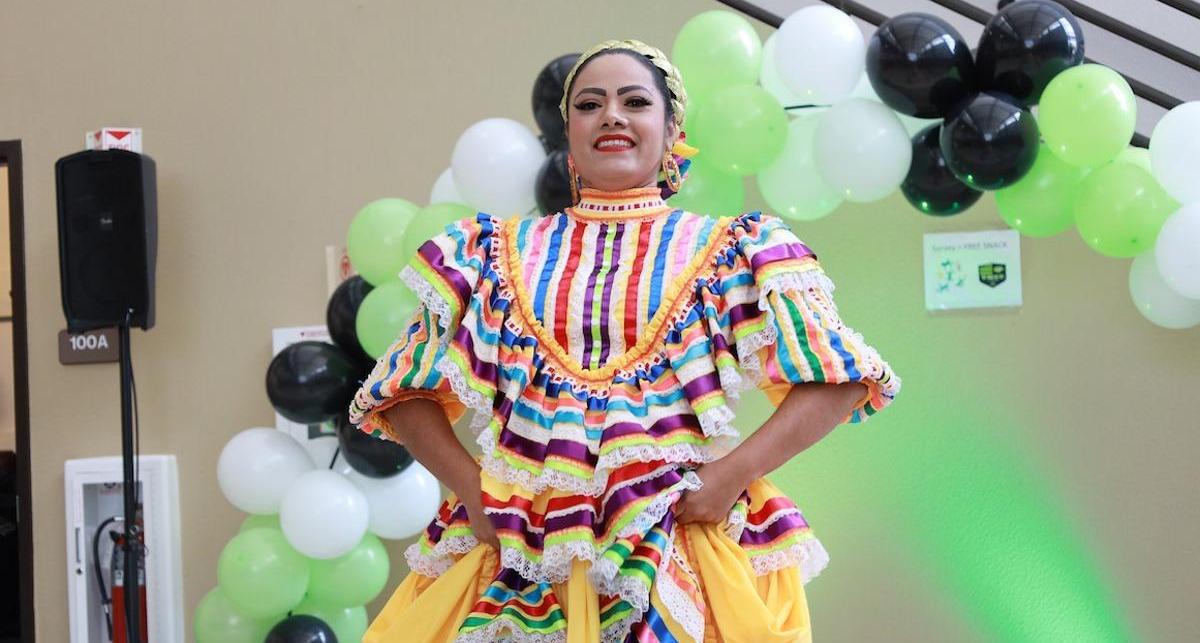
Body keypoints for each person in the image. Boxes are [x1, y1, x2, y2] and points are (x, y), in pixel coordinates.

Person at [349, 39, 900, 643]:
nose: (611, 115)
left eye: (634, 101)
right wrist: (473, 492)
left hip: (677, 542)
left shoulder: (732, 249)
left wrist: (732, 476)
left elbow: (841, 376)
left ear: (670, 132)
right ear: (569, 137)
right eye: (590, 104)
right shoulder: (491, 253)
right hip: (520, 547)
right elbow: (401, 390)